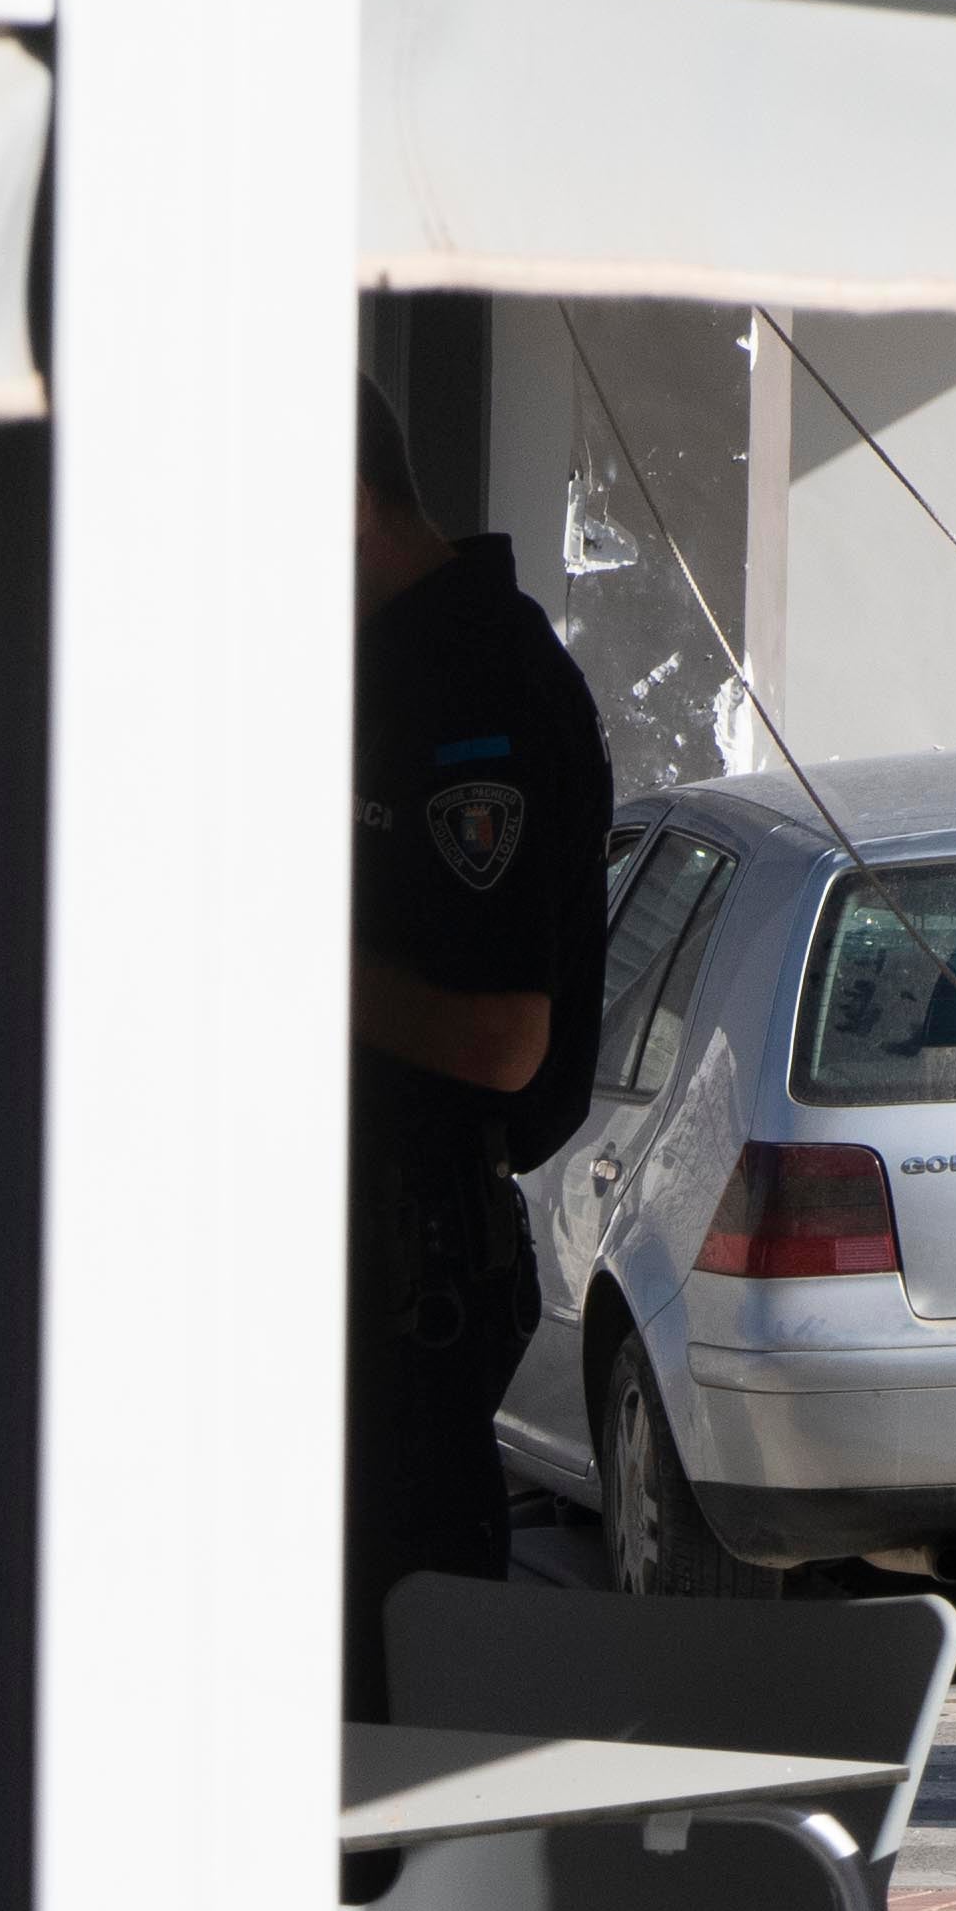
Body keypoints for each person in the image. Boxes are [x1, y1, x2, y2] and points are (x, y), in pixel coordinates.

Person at [346, 371, 614, 1700]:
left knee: (381, 1697)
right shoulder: (381, 667)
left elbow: (505, 1038)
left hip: (402, 1282)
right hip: (360, 1275)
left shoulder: (470, 680)